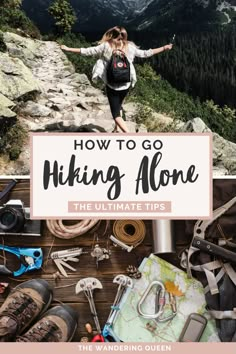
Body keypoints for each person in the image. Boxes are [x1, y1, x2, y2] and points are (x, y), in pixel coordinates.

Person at [61, 26, 173, 133]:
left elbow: (87, 51)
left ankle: (128, 133)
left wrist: (68, 48)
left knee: (115, 114)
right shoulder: (130, 47)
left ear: (111, 35)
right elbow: (146, 53)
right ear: (124, 35)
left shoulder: (106, 46)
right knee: (119, 106)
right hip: (126, 83)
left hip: (112, 84)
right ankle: (117, 129)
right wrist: (164, 47)